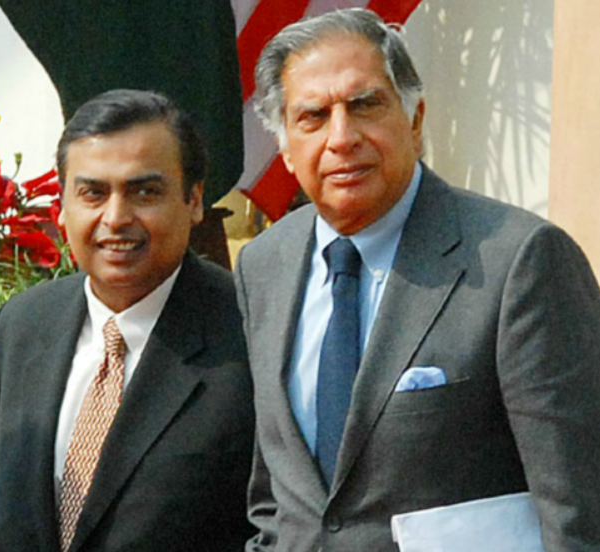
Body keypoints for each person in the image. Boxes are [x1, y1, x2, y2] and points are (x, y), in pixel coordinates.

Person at [234, 8, 600, 551]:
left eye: (365, 105)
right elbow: (277, 495)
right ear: (285, 148)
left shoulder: (518, 261)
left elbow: (578, 509)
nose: (342, 137)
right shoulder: (264, 265)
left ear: (414, 119)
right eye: (313, 116)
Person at [0, 89, 255, 551]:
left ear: (194, 201)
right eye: (93, 193)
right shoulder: (22, 326)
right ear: (62, 207)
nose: (116, 218)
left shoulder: (251, 332)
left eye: (145, 192)